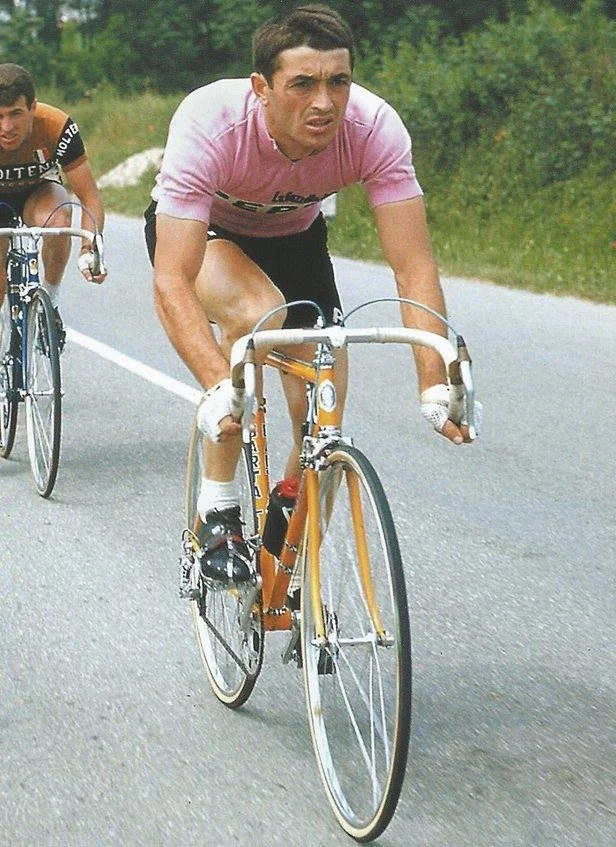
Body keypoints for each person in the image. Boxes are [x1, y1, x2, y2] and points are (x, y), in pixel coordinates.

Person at [147, 4, 473, 585]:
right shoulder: (210, 122)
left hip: (295, 238)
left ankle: (287, 561)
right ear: (261, 89)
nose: (324, 102)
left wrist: (433, 380)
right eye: (303, 84)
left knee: (325, 400)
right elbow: (173, 278)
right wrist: (218, 387)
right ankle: (218, 510)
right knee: (257, 314)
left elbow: (414, 265)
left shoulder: (373, 129)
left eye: (338, 82)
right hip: (207, 233)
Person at [0, 62, 106, 448]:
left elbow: (89, 197)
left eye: (16, 114)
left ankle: (49, 302)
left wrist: (90, 246)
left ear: (33, 107)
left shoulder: (57, 126)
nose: (6, 127)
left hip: (37, 190)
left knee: (59, 219)